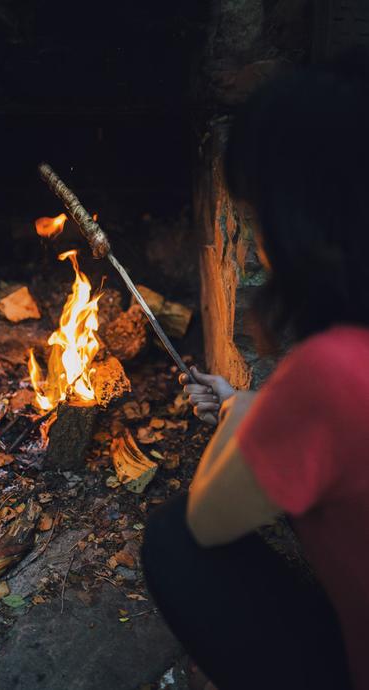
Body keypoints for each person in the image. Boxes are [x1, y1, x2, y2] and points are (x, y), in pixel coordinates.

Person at [142, 51, 369, 690]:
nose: (255, 238)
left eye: (253, 213)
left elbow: (209, 518)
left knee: (171, 543)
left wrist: (244, 421)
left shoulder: (331, 374)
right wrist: (254, 409)